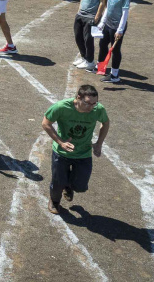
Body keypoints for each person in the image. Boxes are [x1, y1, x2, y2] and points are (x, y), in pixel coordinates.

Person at [41, 84, 110, 214]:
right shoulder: (61, 107)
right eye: (88, 103)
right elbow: (46, 123)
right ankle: (54, 201)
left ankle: (68, 185)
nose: (92, 107)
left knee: (80, 186)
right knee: (57, 182)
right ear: (78, 97)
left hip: (83, 153)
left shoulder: (98, 109)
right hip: (61, 152)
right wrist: (60, 142)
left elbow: (105, 123)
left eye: (94, 104)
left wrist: (99, 143)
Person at [95, 0, 131, 82]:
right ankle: (100, 67)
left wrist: (120, 30)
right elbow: (107, 9)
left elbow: (125, 14)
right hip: (108, 25)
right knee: (102, 44)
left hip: (117, 28)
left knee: (115, 50)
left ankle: (114, 75)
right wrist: (102, 23)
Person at [72, 0, 107, 71]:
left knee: (88, 40)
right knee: (78, 37)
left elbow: (102, 2)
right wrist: (78, 10)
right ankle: (84, 57)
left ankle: (90, 61)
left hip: (91, 16)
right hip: (81, 14)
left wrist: (97, 17)